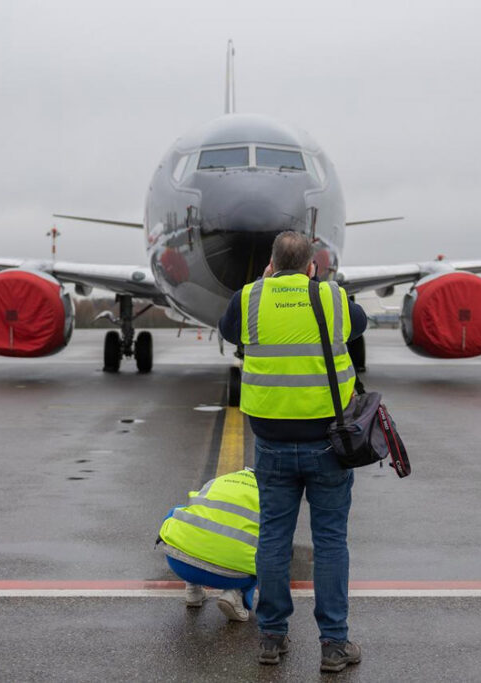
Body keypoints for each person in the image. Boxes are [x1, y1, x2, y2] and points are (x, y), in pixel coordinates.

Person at [218, 230, 367, 673]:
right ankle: (333, 645)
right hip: (330, 442)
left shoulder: (248, 299)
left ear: (270, 263)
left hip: (273, 442)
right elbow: (358, 325)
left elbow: (228, 331)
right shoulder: (333, 299)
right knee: (330, 543)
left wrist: (265, 284)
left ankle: (271, 637)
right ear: (312, 265)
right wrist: (318, 287)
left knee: (274, 540)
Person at [157, 468, 259, 622]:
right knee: (272, 547)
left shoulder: (219, 480)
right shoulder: (270, 494)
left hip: (180, 563)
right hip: (231, 577)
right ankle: (236, 595)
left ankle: (193, 590)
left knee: (178, 511)